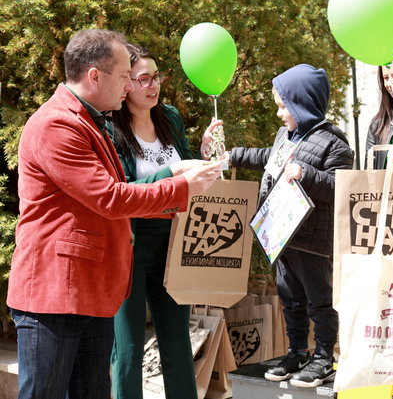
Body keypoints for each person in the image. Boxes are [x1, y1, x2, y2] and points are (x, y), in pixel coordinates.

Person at [7, 29, 221, 399]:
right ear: (94, 76)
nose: (130, 87)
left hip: (91, 290)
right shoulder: (57, 125)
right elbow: (110, 198)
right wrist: (183, 187)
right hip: (57, 294)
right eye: (126, 76)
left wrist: (177, 173)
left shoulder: (94, 120)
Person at [226, 64, 354, 388]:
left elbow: (340, 185)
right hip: (281, 236)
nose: (280, 114)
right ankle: (296, 352)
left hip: (311, 241)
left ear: (302, 103)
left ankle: (324, 357)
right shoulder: (286, 135)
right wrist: (233, 156)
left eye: (284, 106)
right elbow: (267, 158)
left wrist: (306, 174)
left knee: (319, 299)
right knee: (289, 298)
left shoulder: (333, 143)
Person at [107, 44, 221, 399]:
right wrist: (171, 173)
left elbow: (187, 169)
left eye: (156, 77)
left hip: (174, 239)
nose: (152, 85)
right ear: (126, 85)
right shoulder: (111, 127)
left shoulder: (168, 116)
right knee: (128, 347)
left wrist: (202, 155)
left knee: (176, 340)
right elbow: (122, 190)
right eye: (143, 78)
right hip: (132, 241)